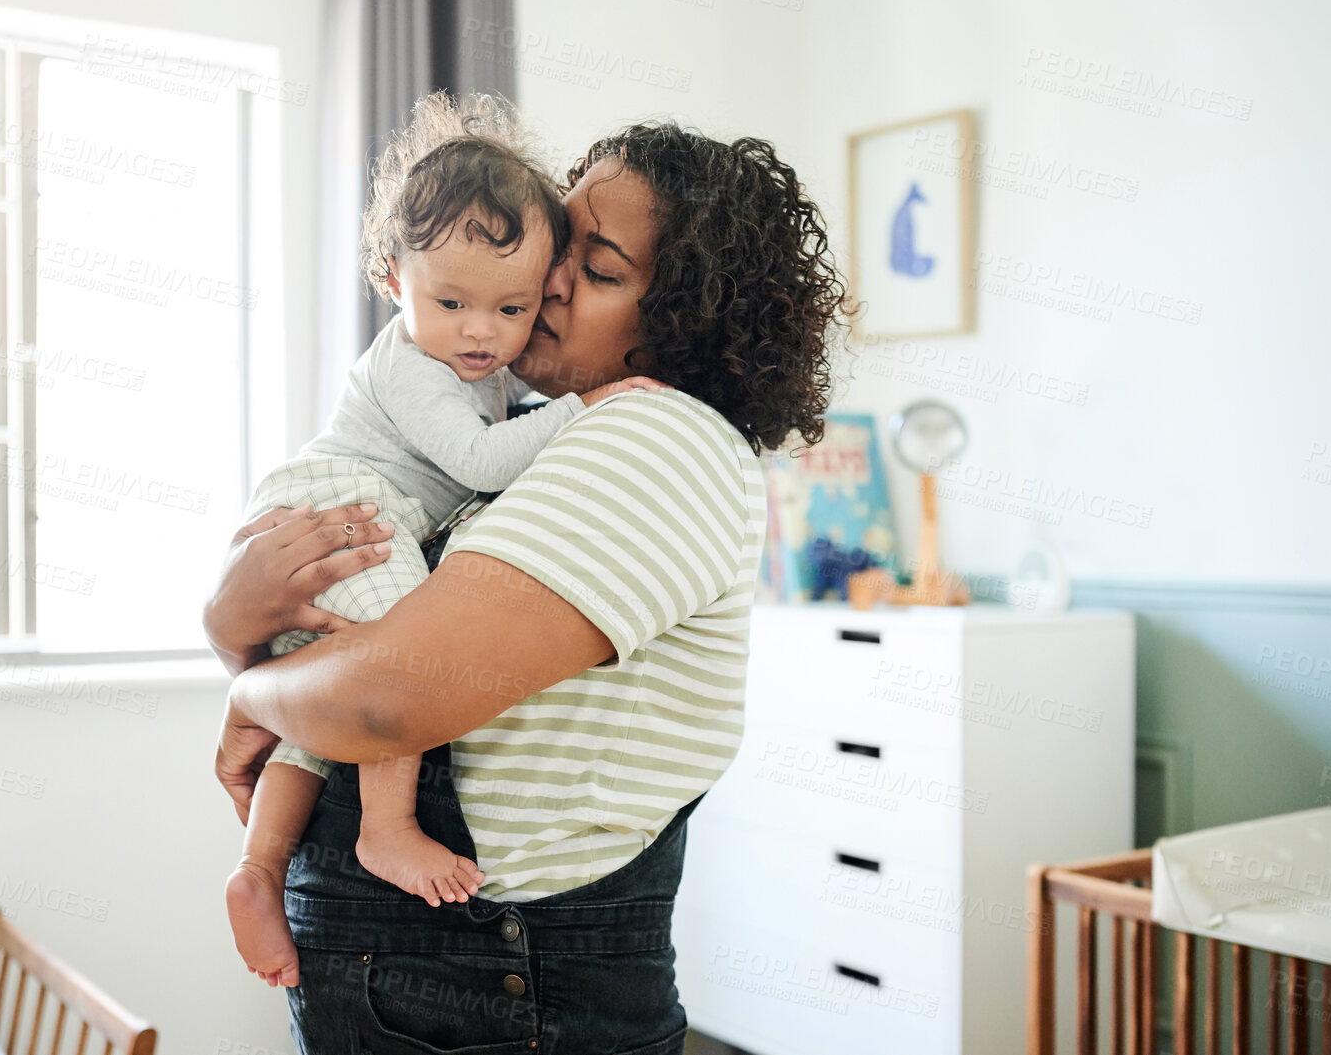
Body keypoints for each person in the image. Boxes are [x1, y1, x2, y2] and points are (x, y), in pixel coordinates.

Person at [206, 121, 850, 1054]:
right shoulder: (534, 425)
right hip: (434, 956)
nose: (547, 280)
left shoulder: (654, 435)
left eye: (598, 270)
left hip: (494, 967)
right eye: (559, 245)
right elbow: (351, 638)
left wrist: (247, 685)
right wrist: (231, 619)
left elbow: (387, 694)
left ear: (680, 315)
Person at [223, 92, 661, 991]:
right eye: (451, 300)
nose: (480, 331)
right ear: (394, 277)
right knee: (391, 666)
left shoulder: (473, 362)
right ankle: (385, 830)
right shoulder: (413, 363)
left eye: (512, 307)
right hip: (344, 504)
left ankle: (259, 865)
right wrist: (587, 406)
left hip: (357, 513)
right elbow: (479, 459)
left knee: (329, 723)